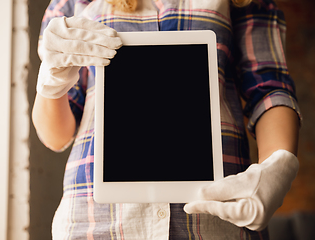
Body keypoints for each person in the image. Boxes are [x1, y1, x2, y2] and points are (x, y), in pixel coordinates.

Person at [32, 0, 301, 239]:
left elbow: (268, 89)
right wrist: (53, 78)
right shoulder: (73, 3)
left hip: (214, 220)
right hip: (96, 221)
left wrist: (276, 167)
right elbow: (56, 135)